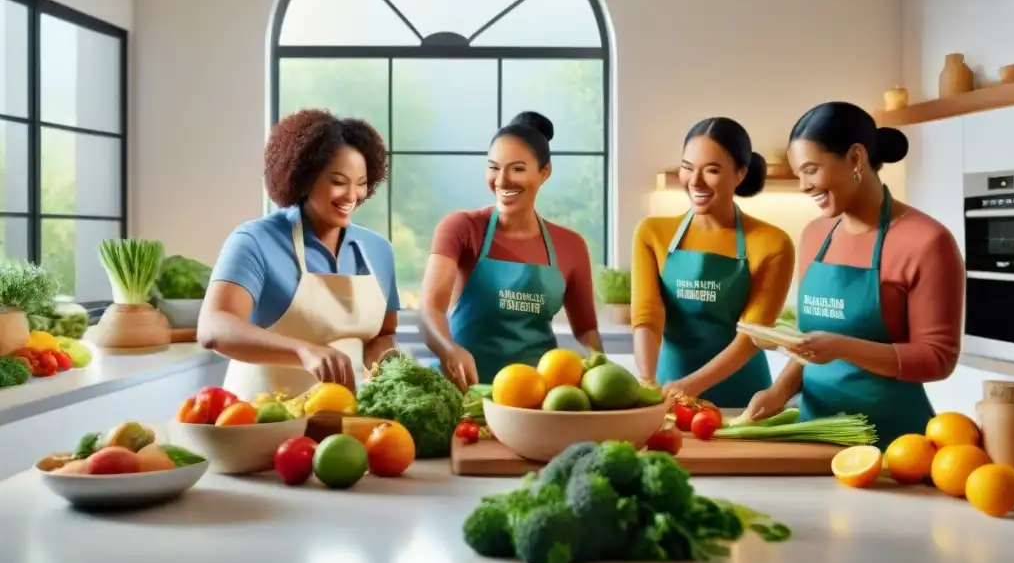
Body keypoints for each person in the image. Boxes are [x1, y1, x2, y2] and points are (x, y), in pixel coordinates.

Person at [741, 101, 965, 448]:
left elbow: (938, 358)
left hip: (894, 444)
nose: (803, 185)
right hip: (814, 434)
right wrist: (778, 391)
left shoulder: (926, 242)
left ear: (856, 158)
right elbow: (809, 346)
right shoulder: (815, 235)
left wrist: (842, 346)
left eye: (811, 170)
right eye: (799, 173)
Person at [197, 109, 401, 401]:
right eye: (339, 181)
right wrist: (303, 351)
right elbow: (213, 327)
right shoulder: (255, 240)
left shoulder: (378, 251)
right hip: (260, 419)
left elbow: (382, 335)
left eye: (361, 182)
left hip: (345, 420)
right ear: (306, 176)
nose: (352, 195)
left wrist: (392, 371)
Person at [419, 111, 602, 391]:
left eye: (517, 169)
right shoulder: (462, 228)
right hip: (461, 393)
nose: (502, 181)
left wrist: (602, 375)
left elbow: (586, 330)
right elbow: (430, 308)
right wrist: (448, 350)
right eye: (494, 167)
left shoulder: (571, 245)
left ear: (544, 173)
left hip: (535, 400)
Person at [632, 117, 796, 407]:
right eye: (687, 167)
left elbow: (752, 335)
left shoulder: (772, 243)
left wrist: (690, 386)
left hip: (742, 399)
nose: (695, 182)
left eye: (712, 170)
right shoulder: (652, 233)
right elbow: (647, 315)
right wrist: (647, 381)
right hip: (667, 393)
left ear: (740, 174)